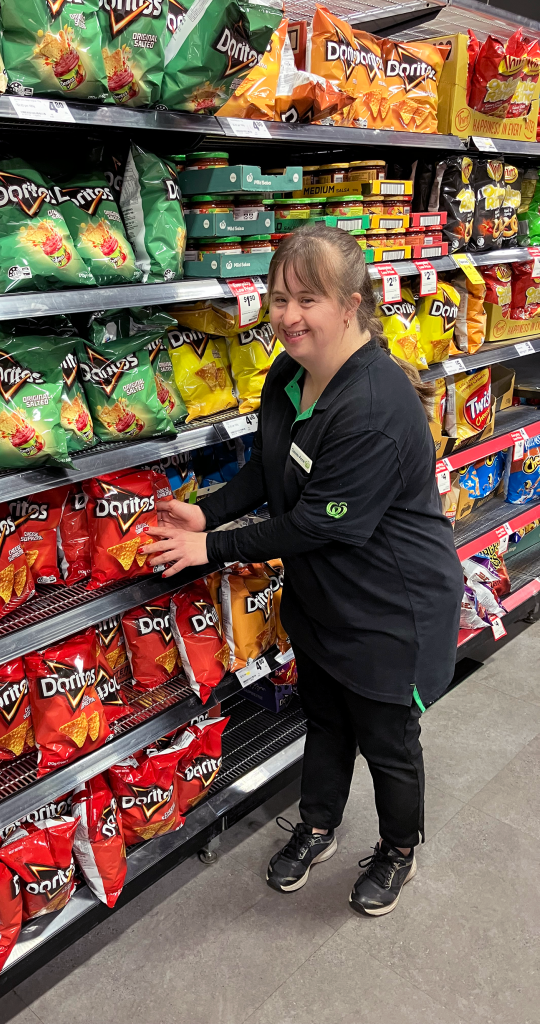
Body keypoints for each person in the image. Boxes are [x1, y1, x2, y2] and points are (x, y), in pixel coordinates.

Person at [146, 223, 462, 916]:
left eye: (307, 299)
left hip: (391, 615)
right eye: (279, 297)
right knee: (324, 722)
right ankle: (318, 825)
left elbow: (322, 521)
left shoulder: (373, 407)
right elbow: (270, 466)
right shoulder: (290, 375)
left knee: (387, 745)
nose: (288, 316)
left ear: (351, 304)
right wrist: (209, 512)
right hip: (326, 600)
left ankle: (399, 848)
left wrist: (213, 549)